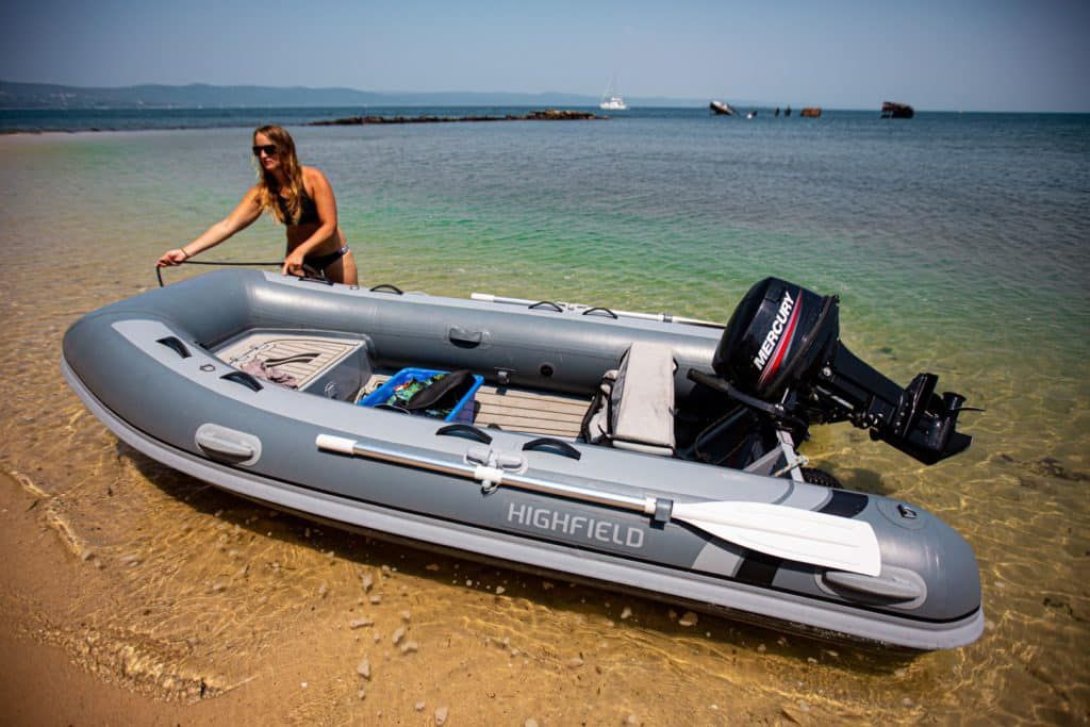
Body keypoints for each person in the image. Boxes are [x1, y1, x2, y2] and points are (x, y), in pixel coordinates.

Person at [157, 125, 358, 285]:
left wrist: (300, 251)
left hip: (334, 257)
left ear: (285, 149)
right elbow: (227, 226)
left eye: (269, 149)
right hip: (298, 263)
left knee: (352, 316)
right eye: (257, 150)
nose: (263, 156)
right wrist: (184, 252)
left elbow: (329, 226)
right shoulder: (262, 192)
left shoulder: (313, 178)